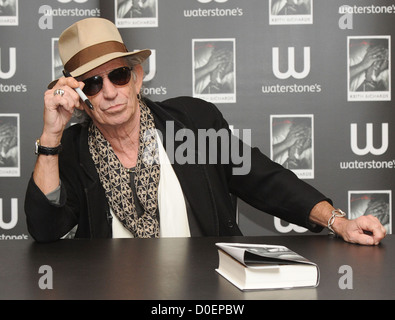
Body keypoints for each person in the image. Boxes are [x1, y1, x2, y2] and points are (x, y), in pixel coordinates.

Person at [24, 17, 386, 245]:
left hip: (204, 292)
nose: (109, 91)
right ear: (81, 99)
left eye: (118, 75)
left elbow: (261, 177)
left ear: (137, 78)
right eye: (91, 84)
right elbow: (46, 230)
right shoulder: (70, 151)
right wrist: (51, 137)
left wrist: (338, 221)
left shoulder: (190, 125)